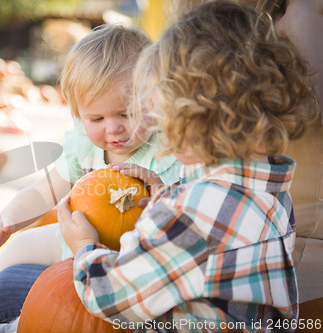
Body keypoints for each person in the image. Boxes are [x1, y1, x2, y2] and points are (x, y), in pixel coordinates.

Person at [58, 1, 319, 332]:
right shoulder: (273, 190)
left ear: (194, 119)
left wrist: (84, 247)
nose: (157, 128)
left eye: (160, 113)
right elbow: (213, 253)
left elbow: (110, 296)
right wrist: (164, 198)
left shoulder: (192, 214)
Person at [0, 24, 182, 329]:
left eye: (126, 114)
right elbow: (44, 192)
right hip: (72, 237)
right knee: (18, 247)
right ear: (79, 114)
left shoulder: (168, 152)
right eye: (96, 118)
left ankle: (6, 328)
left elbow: (179, 216)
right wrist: (8, 219)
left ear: (154, 102)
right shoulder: (84, 147)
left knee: (58, 303)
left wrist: (161, 191)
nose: (112, 128)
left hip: (126, 260)